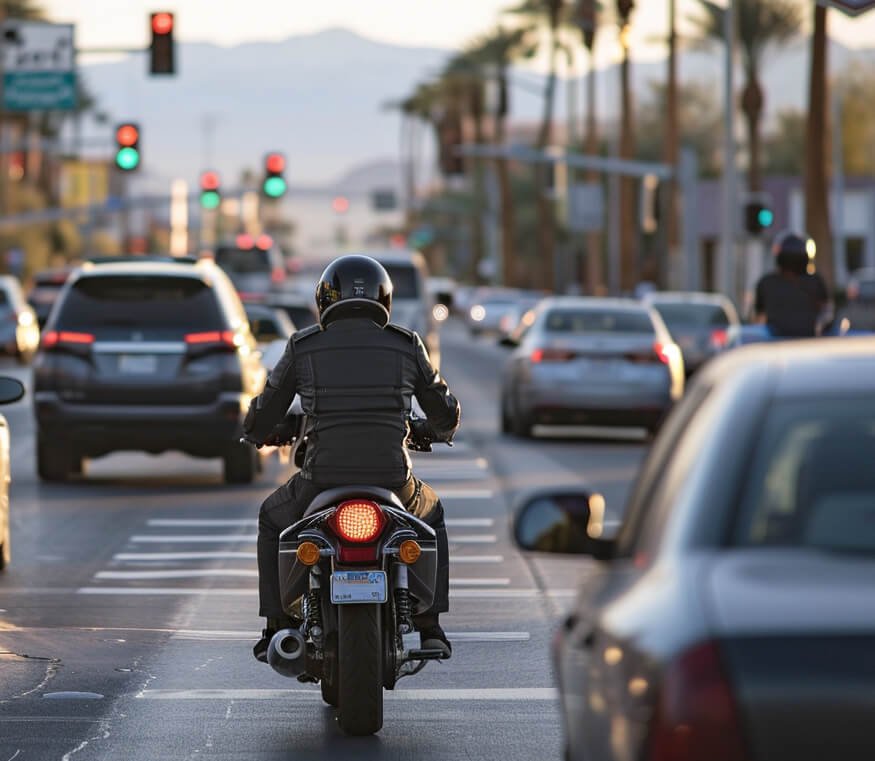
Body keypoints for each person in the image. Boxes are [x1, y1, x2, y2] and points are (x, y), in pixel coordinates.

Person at [244, 254, 461, 663]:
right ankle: (430, 624)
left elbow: (266, 410)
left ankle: (276, 625)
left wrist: (258, 431)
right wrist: (436, 431)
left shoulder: (303, 345)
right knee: (432, 517)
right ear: (385, 298)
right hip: (394, 480)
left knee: (273, 519)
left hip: (319, 479)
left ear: (325, 299)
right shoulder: (406, 343)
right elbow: (445, 413)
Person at [753, 231, 829, 338]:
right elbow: (826, 312)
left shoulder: (766, 283)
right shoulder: (815, 281)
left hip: (774, 347)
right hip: (808, 345)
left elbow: (758, 318)